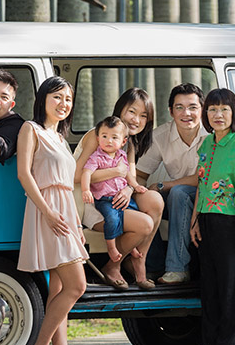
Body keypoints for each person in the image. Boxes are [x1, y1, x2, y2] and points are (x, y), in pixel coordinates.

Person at [16, 76, 97, 345]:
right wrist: (48, 212)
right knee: (77, 285)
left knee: (60, 287)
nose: (64, 104)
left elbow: (67, 185)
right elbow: (24, 174)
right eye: (57, 97)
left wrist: (76, 223)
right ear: (43, 99)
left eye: (68, 99)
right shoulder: (31, 129)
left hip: (65, 213)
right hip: (47, 211)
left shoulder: (61, 138)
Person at [189, 88, 235, 345]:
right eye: (213, 110)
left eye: (224, 110)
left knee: (231, 289)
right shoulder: (205, 145)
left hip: (231, 222)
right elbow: (201, 185)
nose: (218, 115)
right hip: (206, 221)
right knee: (211, 289)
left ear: (234, 113)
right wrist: (194, 220)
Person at [73, 88, 163, 291]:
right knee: (145, 224)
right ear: (120, 109)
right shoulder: (97, 136)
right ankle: (112, 266)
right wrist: (115, 172)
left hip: (116, 198)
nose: (136, 120)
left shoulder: (128, 143)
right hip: (92, 202)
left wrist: (128, 190)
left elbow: (129, 175)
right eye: (132, 112)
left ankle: (139, 261)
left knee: (155, 200)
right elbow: (77, 176)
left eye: (143, 116)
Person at [136, 83, 208, 285]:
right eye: (179, 107)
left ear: (201, 110)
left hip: (208, 196)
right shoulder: (161, 136)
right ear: (171, 111)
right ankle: (153, 265)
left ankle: (178, 269)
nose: (187, 113)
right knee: (145, 199)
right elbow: (140, 174)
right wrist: (139, 192)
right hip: (177, 198)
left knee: (178, 193)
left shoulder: (212, 133)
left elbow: (204, 177)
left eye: (193, 107)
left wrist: (165, 185)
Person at [80, 116, 148, 264]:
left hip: (121, 196)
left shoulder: (121, 155)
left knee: (136, 212)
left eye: (114, 137)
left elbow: (128, 173)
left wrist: (135, 186)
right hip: (105, 199)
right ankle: (111, 247)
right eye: (104, 136)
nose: (109, 141)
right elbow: (86, 173)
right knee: (112, 219)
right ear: (98, 139)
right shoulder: (96, 157)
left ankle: (131, 247)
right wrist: (86, 190)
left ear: (123, 142)